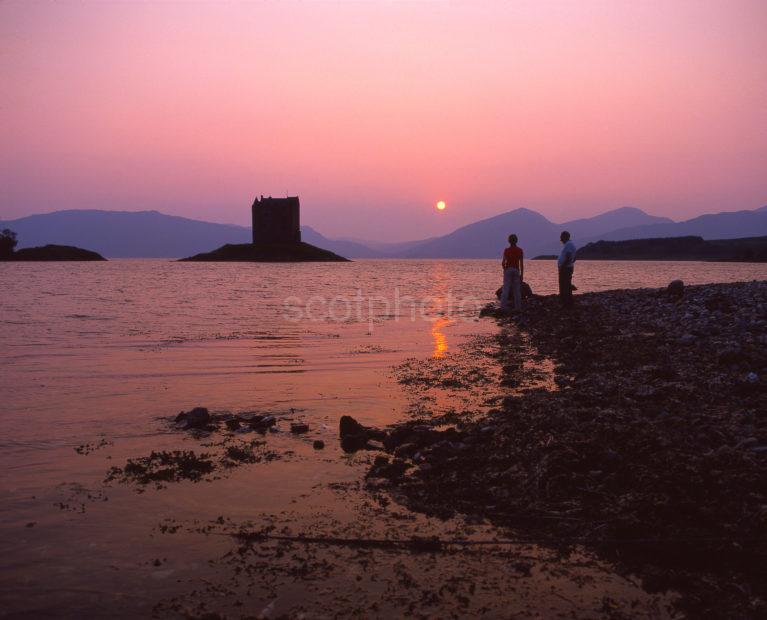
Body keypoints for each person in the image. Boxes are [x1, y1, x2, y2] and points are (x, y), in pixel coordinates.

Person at [501, 234, 524, 313]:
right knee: (517, 290)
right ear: (516, 241)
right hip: (516, 270)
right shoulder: (520, 250)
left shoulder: (506, 250)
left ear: (509, 241)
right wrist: (522, 275)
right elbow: (521, 264)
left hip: (508, 270)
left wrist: (505, 270)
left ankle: (503, 307)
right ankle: (518, 308)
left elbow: (503, 263)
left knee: (506, 289)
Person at [557, 230, 576, 307]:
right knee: (567, 285)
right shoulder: (570, 244)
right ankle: (568, 302)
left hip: (566, 268)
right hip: (568, 267)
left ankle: (565, 303)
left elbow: (568, 256)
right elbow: (574, 258)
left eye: (561, 237)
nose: (560, 239)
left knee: (564, 285)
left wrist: (563, 267)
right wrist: (570, 263)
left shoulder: (568, 245)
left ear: (565, 237)